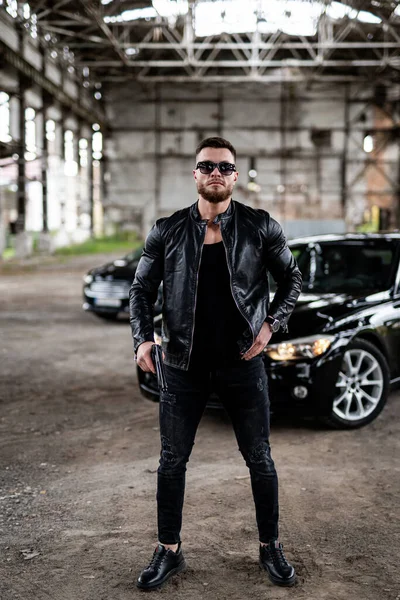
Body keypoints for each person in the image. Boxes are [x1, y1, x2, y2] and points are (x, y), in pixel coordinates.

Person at [129, 136, 302, 590]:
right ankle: (169, 550)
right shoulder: (166, 230)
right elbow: (141, 291)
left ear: (235, 176)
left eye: (224, 167)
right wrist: (142, 340)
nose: (216, 174)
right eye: (207, 166)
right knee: (171, 461)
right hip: (182, 365)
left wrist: (269, 327)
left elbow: (292, 279)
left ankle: (270, 546)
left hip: (242, 364)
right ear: (195, 174)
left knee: (260, 459)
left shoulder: (260, 226)